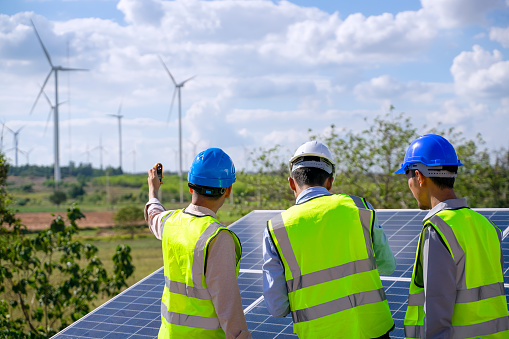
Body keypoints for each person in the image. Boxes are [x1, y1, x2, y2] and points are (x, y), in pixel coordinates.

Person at [262, 140, 396, 338]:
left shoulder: (276, 228)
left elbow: (278, 307)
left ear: (291, 182)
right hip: (372, 329)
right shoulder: (360, 208)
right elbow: (388, 265)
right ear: (330, 181)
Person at [395, 134, 509, 338]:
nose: (409, 185)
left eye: (407, 176)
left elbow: (437, 318)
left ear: (419, 177)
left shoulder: (438, 229)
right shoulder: (487, 226)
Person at [144, 148, 252, 338]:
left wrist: (153, 191)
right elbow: (229, 308)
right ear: (227, 191)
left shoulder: (170, 222)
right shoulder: (217, 237)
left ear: (190, 187)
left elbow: (153, 217)